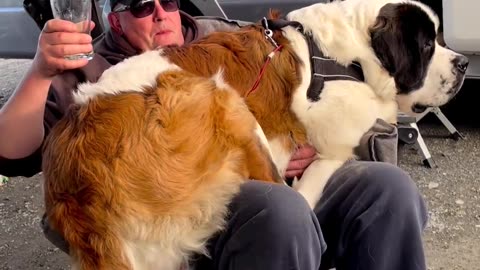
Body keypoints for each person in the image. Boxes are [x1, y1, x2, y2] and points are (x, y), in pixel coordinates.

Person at [0, 0, 428, 269]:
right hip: (187, 197)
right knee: (279, 211)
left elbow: (309, 92)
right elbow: (11, 153)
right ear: (115, 18)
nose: (162, 15)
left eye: (168, 1)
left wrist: (315, 143)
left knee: (387, 187)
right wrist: (40, 72)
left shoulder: (223, 34)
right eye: (144, 7)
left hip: (289, 173)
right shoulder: (92, 69)